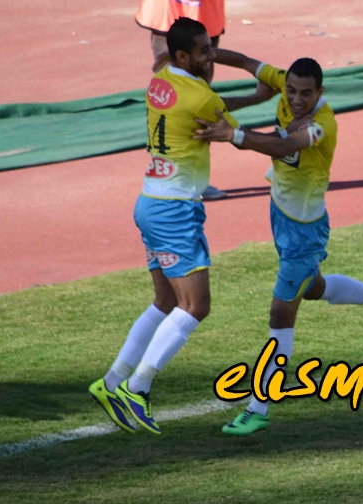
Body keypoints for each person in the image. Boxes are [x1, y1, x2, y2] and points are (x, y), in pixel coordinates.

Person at [193, 51, 363, 436]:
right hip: (281, 213)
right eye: (291, 91)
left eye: (306, 94)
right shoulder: (285, 82)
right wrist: (212, 53)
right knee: (313, 288)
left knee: (281, 314)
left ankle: (258, 408)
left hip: (304, 230)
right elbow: (245, 62)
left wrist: (234, 134)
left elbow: (285, 146)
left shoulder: (322, 126)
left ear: (320, 93)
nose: (296, 99)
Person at [89, 17, 272, 435]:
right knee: (195, 306)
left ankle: (112, 382)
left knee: (165, 301)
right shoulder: (200, 97)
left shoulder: (161, 76)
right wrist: (260, 90)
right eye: (204, 51)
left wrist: (242, 90)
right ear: (183, 55)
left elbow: (210, 102)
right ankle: (138, 388)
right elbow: (230, 126)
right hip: (174, 211)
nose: (211, 56)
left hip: (149, 203)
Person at [136, 0, 228, 200]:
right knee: (169, 98)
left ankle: (193, 179)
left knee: (200, 102)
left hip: (204, 15)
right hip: (168, 15)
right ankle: (171, 178)